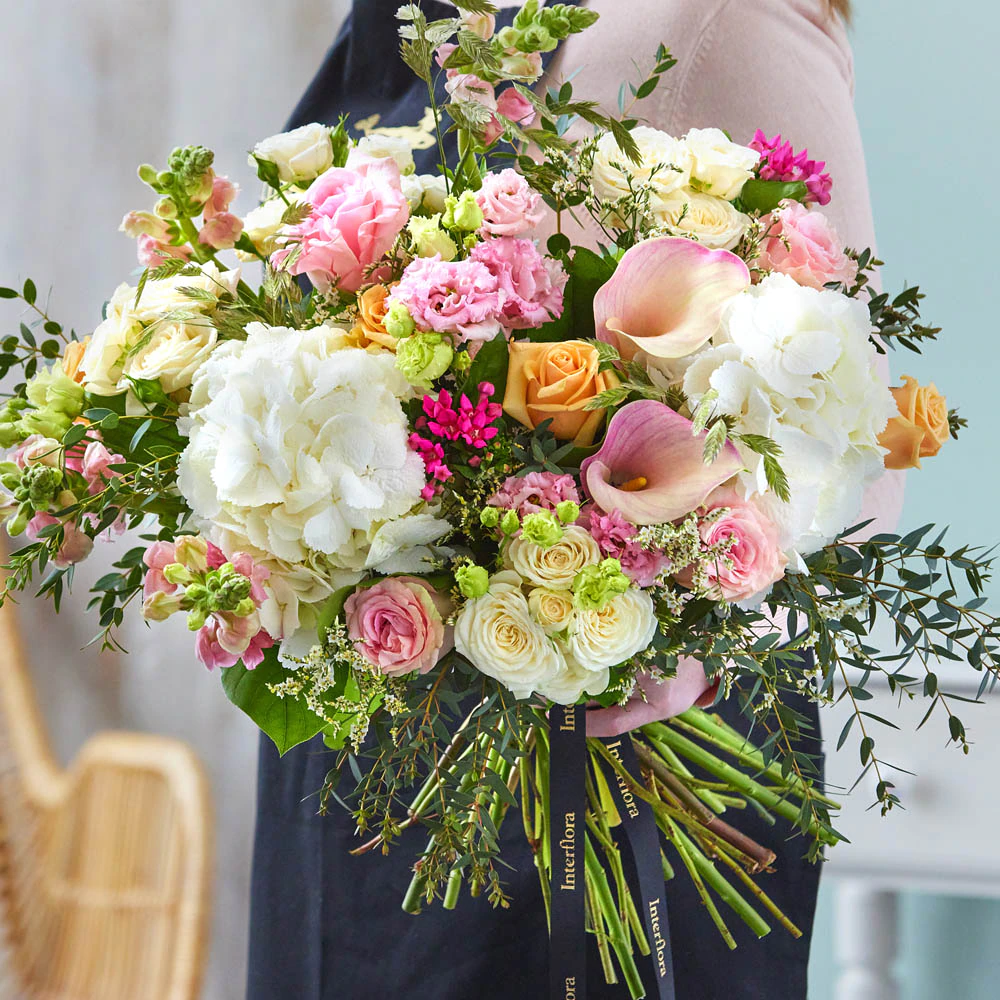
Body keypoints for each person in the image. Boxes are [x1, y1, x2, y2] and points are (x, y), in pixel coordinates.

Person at [246, 3, 903, 998]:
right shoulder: (417, 18)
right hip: (366, 768)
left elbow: (850, 446)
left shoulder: (717, 25)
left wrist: (645, 628)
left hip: (601, 789)